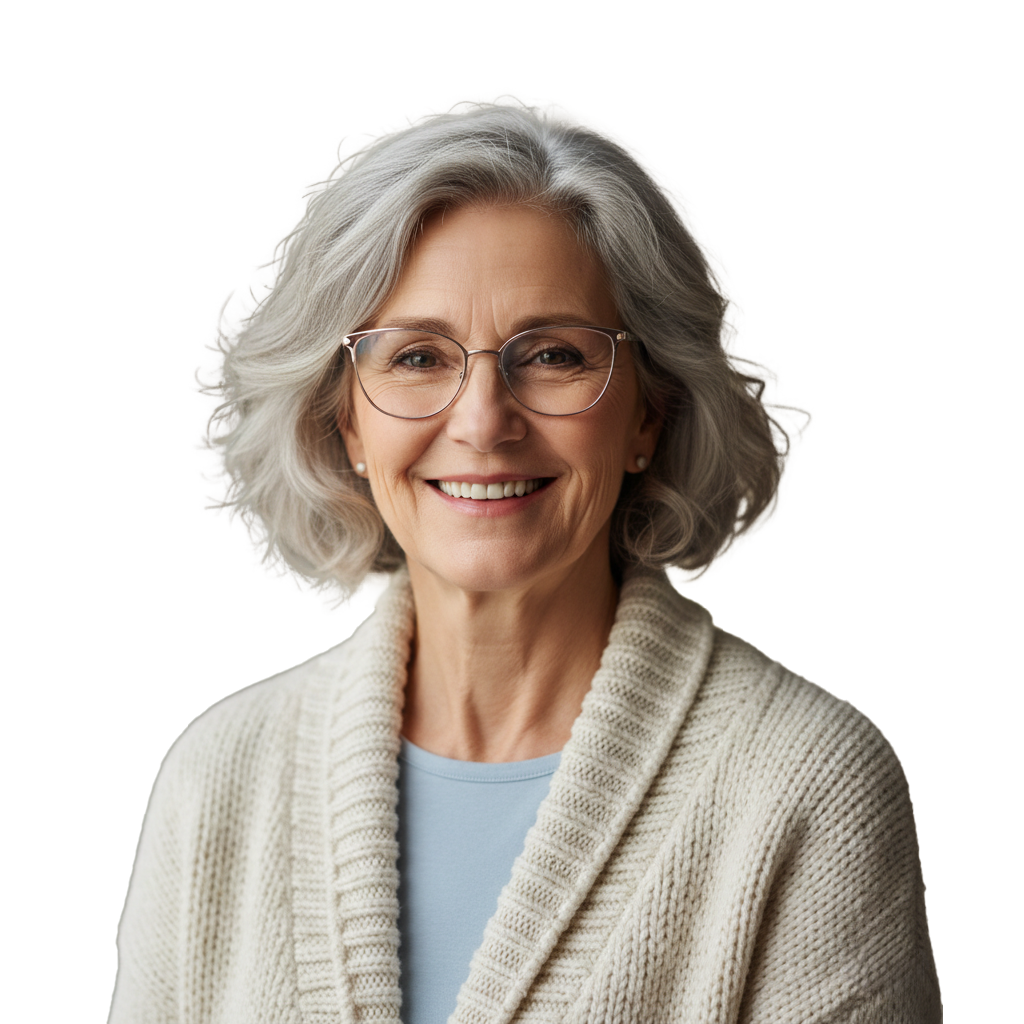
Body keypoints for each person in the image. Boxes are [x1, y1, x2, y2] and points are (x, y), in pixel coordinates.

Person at [110, 101, 942, 1022]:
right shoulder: (217, 774)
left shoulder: (806, 783)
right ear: (345, 420)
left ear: (648, 414)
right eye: (417, 357)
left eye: (551, 355)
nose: (481, 421)